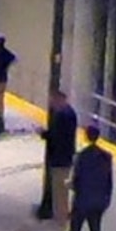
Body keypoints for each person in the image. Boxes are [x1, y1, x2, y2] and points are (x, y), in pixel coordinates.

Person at [61, 122, 115, 231]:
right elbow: (109, 181)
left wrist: (70, 186)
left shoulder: (81, 157)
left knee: (75, 230)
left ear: (86, 135)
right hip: (98, 201)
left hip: (82, 201)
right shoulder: (106, 157)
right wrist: (106, 200)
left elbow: (77, 180)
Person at [37, 89, 78, 219]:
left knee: (60, 190)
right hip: (63, 156)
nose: (51, 104)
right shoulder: (67, 114)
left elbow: (57, 136)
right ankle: (60, 215)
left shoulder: (63, 116)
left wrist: (44, 134)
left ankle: (60, 218)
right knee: (59, 189)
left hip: (60, 157)